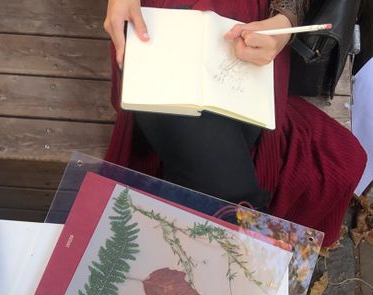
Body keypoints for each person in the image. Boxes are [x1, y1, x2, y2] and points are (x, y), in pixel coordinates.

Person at [103, 0, 367, 247]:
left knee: (224, 185)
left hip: (254, 24)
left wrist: (285, 22)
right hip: (161, 18)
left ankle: (239, 265)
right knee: (229, 194)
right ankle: (253, 265)